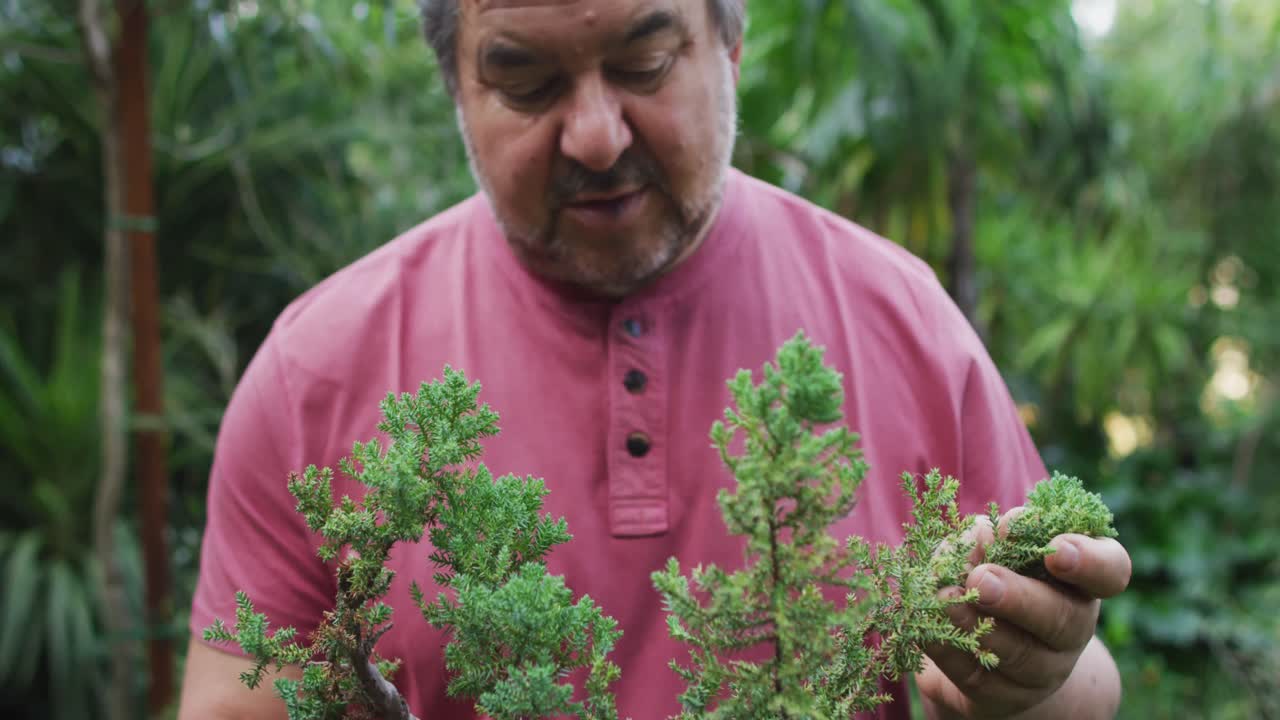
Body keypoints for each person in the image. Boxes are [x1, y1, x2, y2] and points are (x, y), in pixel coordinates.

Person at [177, 1, 1132, 718]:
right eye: (527, 82)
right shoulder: (320, 369)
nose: (595, 135)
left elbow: (1082, 686)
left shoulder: (902, 318)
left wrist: (1040, 676)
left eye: (643, 60)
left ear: (730, 42)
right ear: (457, 96)